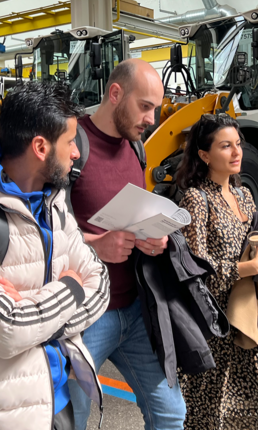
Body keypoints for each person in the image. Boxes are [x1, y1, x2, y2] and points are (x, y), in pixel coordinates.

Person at [0, 81, 109, 429]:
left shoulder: (53, 202)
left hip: (59, 399)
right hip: (1, 413)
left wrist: (28, 311)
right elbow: (5, 329)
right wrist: (71, 287)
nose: (76, 153)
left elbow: (101, 286)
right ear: (40, 147)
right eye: (70, 142)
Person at [66, 58, 185, 430]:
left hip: (134, 310)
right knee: (69, 421)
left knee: (171, 415)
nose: (151, 119)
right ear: (115, 94)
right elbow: (40, 232)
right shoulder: (71, 147)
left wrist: (153, 236)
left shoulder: (137, 148)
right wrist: (95, 245)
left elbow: (134, 212)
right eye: (145, 106)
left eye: (155, 109)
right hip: (85, 316)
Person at [174, 114, 258, 429]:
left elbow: (250, 240)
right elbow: (196, 270)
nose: (237, 152)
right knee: (216, 411)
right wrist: (253, 267)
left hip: (251, 317)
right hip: (217, 326)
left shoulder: (244, 194)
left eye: (238, 144)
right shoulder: (196, 199)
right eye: (225, 146)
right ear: (204, 155)